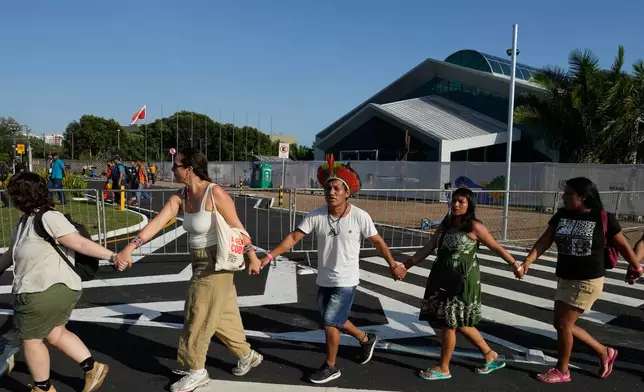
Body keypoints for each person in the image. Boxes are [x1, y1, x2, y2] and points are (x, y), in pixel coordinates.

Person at [115, 148, 264, 392]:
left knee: (197, 313)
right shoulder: (180, 196)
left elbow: (239, 227)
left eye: (175, 165)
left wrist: (253, 257)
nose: (171, 169)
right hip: (198, 261)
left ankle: (196, 370)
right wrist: (131, 247)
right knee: (221, 316)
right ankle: (247, 355)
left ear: (189, 169)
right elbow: (158, 222)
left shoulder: (214, 193)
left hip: (217, 263)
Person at [258, 154, 406, 384]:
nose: (332, 192)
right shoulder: (316, 215)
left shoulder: (359, 216)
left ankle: (331, 366)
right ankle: (366, 338)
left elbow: (378, 242)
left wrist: (393, 265)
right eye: (328, 188)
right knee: (335, 320)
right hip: (324, 279)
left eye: (337, 188)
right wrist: (268, 257)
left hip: (346, 280)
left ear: (347, 192)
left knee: (329, 322)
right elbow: (293, 237)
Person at [0, 171, 130, 392]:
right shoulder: (25, 222)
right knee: (55, 332)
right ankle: (92, 368)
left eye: (12, 192)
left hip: (41, 290)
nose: (8, 197)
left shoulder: (48, 217)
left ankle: (43, 388)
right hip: (56, 289)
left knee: (31, 340)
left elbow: (78, 243)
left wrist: (112, 256)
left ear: (23, 195)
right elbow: (8, 256)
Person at [522, 177, 643, 383]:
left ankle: (563, 370)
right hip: (566, 277)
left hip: (588, 280)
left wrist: (635, 266)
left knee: (563, 324)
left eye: (569, 194)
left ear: (583, 196)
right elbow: (545, 240)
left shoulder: (602, 217)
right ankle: (604, 352)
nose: (564, 197)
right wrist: (528, 261)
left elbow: (623, 246)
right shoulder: (561, 215)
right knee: (560, 325)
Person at [402, 187, 523, 381]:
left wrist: (515, 264)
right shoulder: (446, 224)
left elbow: (496, 247)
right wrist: (406, 265)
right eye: (454, 201)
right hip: (442, 276)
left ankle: (444, 367)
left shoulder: (475, 226)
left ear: (469, 205)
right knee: (458, 322)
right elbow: (429, 246)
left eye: (461, 202)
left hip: (462, 280)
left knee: (449, 323)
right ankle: (489, 354)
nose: (456, 205)